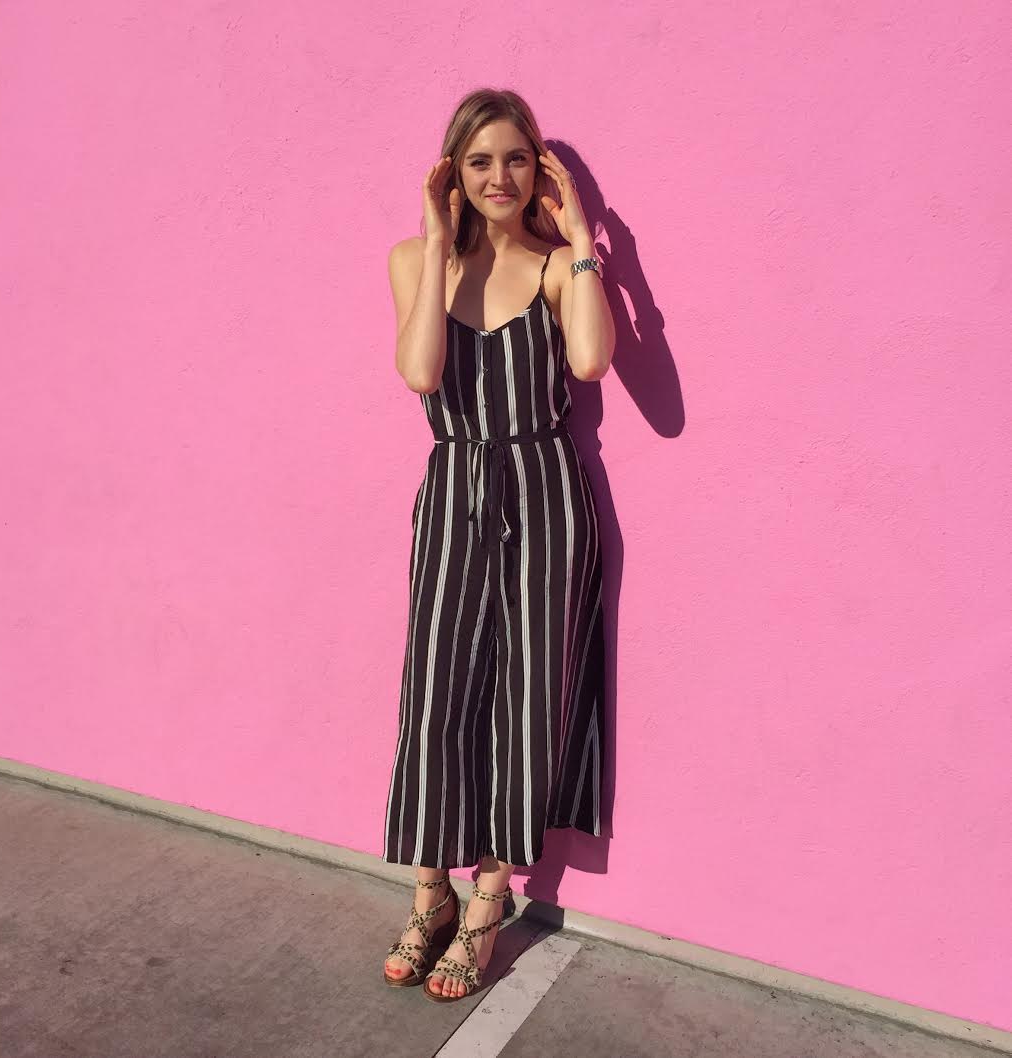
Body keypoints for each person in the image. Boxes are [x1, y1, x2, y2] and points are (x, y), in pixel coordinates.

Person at [380, 88, 615, 1002]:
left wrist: (583, 237)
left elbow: (590, 361)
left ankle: (488, 897)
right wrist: (439, 242)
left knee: (527, 696)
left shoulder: (557, 268)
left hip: (547, 493)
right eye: (480, 161)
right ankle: (428, 888)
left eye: (516, 158)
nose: (500, 177)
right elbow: (420, 372)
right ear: (453, 171)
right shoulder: (414, 261)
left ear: (538, 169)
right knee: (436, 688)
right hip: (455, 489)